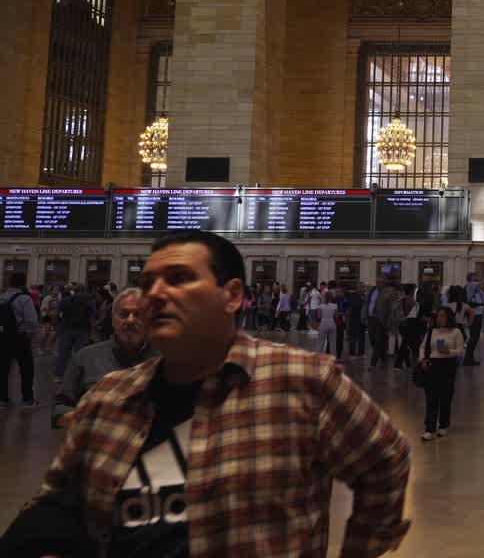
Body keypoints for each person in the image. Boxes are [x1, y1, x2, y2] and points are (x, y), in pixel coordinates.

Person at [5, 230, 411, 557]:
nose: (156, 294)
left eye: (179, 279)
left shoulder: (302, 382)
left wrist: (361, 547)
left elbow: (384, 458)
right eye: (147, 283)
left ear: (232, 296)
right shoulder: (108, 398)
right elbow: (59, 501)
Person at [52, 288, 156, 428]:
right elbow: (59, 409)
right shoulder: (86, 357)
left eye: (138, 314)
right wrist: (89, 422)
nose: (130, 320)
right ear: (113, 318)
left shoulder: (168, 359)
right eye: (123, 314)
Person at [419, 306, 466, 441]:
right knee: (431, 397)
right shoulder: (432, 331)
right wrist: (422, 360)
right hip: (432, 366)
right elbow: (423, 347)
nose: (440, 319)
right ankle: (429, 428)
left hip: (447, 366)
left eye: (443, 316)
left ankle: (444, 424)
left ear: (449, 317)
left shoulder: (456, 332)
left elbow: (460, 350)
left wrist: (448, 352)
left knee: (445, 397)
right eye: (438, 316)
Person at [1, 272, 41, 408]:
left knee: (3, 369)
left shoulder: (1, 297)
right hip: (20, 337)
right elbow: (32, 320)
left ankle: (3, 399)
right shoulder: (24, 298)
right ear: (23, 283)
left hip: (3, 337)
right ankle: (27, 399)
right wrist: (29, 335)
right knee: (26, 368)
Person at [54, 284, 95, 378]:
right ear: (84, 291)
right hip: (82, 330)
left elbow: (57, 312)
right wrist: (92, 331)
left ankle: (59, 375)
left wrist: (56, 325)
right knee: (80, 353)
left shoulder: (66, 300)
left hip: (66, 328)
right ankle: (77, 376)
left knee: (63, 354)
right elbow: (91, 318)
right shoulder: (89, 301)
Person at [462, 273, 484, 366]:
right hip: (475, 314)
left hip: (478, 314)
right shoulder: (471, 285)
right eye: (474, 277)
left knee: (475, 337)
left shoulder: (476, 289)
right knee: (474, 337)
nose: (477, 278)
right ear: (470, 279)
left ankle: (469, 358)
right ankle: (468, 359)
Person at [316, 292, 341, 357]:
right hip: (332, 323)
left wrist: (317, 325)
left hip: (323, 323)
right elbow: (336, 317)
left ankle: (319, 357)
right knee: (333, 343)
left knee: (320, 342)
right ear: (331, 297)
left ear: (324, 297)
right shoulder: (335, 306)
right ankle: (333, 358)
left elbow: (318, 317)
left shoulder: (320, 306)